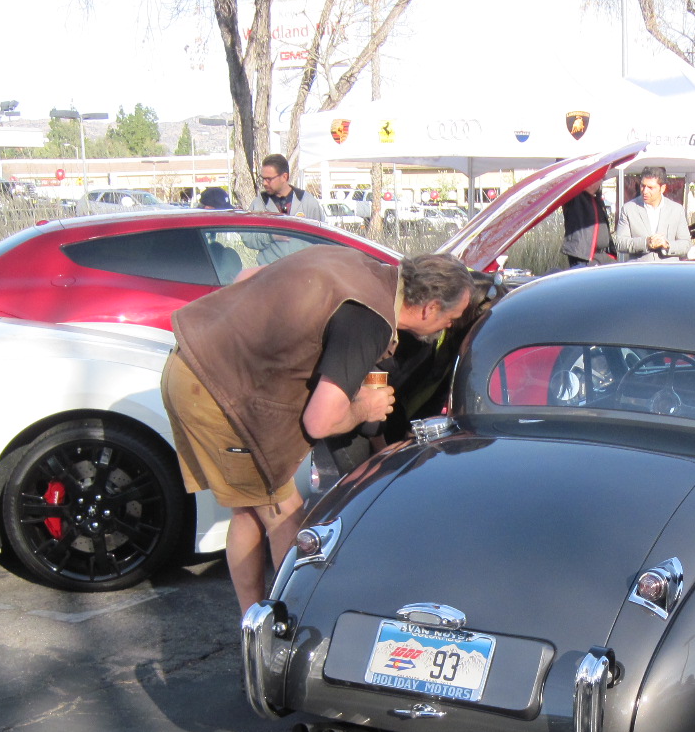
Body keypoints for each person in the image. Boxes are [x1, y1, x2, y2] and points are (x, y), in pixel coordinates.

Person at [161, 247, 477, 615]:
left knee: (249, 509)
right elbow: (320, 422)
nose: (449, 327)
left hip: (190, 362)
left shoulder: (359, 266)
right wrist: (366, 408)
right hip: (220, 395)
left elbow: (247, 276)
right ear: (429, 309)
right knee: (286, 518)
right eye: (452, 319)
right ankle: (288, 624)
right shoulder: (369, 322)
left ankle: (253, 619)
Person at [614, 166, 691, 262]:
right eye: (642, 186)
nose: (645, 191)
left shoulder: (676, 210)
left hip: (668, 271)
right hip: (640, 271)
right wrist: (646, 243)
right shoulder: (629, 209)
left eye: (650, 188)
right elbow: (620, 243)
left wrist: (667, 245)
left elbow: (686, 244)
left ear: (662, 188)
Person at [249, 154, 325, 222]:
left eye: (269, 179)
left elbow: (322, 232)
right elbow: (249, 235)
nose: (264, 183)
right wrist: (270, 235)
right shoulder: (258, 204)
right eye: (263, 179)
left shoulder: (307, 202)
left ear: (284, 177)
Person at [560, 176, 615, 268]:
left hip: (603, 256)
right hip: (583, 257)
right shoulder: (574, 196)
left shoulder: (596, 198)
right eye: (598, 178)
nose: (600, 181)